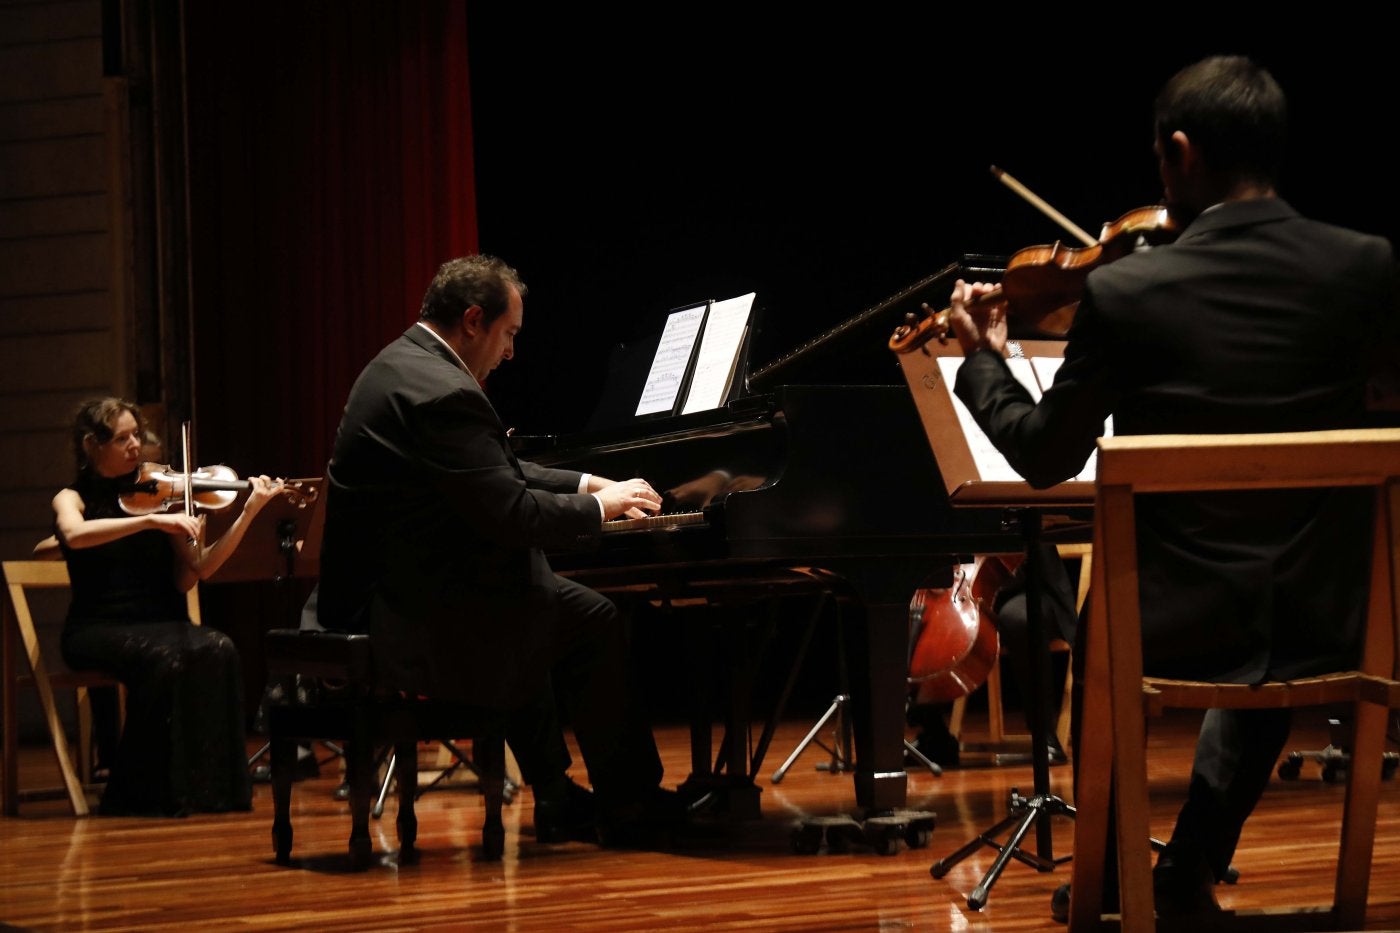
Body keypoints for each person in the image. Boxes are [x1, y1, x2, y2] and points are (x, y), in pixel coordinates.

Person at [945, 55, 1395, 918]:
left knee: (1109, 614)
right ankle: (1183, 870)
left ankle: (1116, 880)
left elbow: (1043, 454)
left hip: (1167, 628)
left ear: (1181, 153)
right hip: (1334, 620)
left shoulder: (1128, 293)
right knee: (1268, 600)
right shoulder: (1368, 268)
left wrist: (982, 357)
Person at [312, 254, 683, 846]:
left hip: (389, 585)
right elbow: (511, 512)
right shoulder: (443, 392)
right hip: (407, 606)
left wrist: (588, 484)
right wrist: (600, 510)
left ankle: (559, 795)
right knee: (585, 616)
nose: (510, 352)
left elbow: (495, 469)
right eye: (508, 334)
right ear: (473, 320)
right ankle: (629, 801)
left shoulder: (404, 363)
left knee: (533, 595)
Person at [53, 397, 282, 815]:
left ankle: (211, 789)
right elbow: (74, 534)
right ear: (91, 445)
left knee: (220, 647)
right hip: (97, 628)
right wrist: (152, 522)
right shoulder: (73, 498)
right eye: (122, 438)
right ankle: (140, 791)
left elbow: (199, 568)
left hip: (159, 621)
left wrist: (248, 512)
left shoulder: (160, 496)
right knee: (167, 659)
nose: (136, 446)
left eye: (137, 435)